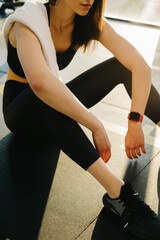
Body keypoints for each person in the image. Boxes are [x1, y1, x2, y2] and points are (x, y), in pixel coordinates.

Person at [2, 0, 160, 239]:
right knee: (47, 92)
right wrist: (94, 124)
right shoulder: (28, 20)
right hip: (22, 113)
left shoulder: (87, 21)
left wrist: (135, 121)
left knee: (121, 66)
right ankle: (118, 194)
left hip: (51, 103)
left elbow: (139, 65)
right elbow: (40, 82)